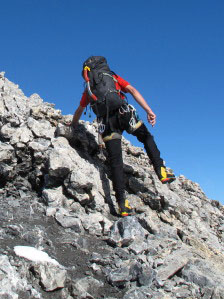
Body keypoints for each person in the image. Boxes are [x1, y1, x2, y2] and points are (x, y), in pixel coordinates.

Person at [69, 56, 175, 217]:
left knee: (116, 163)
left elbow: (79, 110)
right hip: (124, 113)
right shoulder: (112, 77)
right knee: (146, 138)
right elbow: (132, 90)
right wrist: (149, 111)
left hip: (106, 123)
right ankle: (161, 170)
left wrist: (73, 125)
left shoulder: (89, 89)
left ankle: (122, 204)